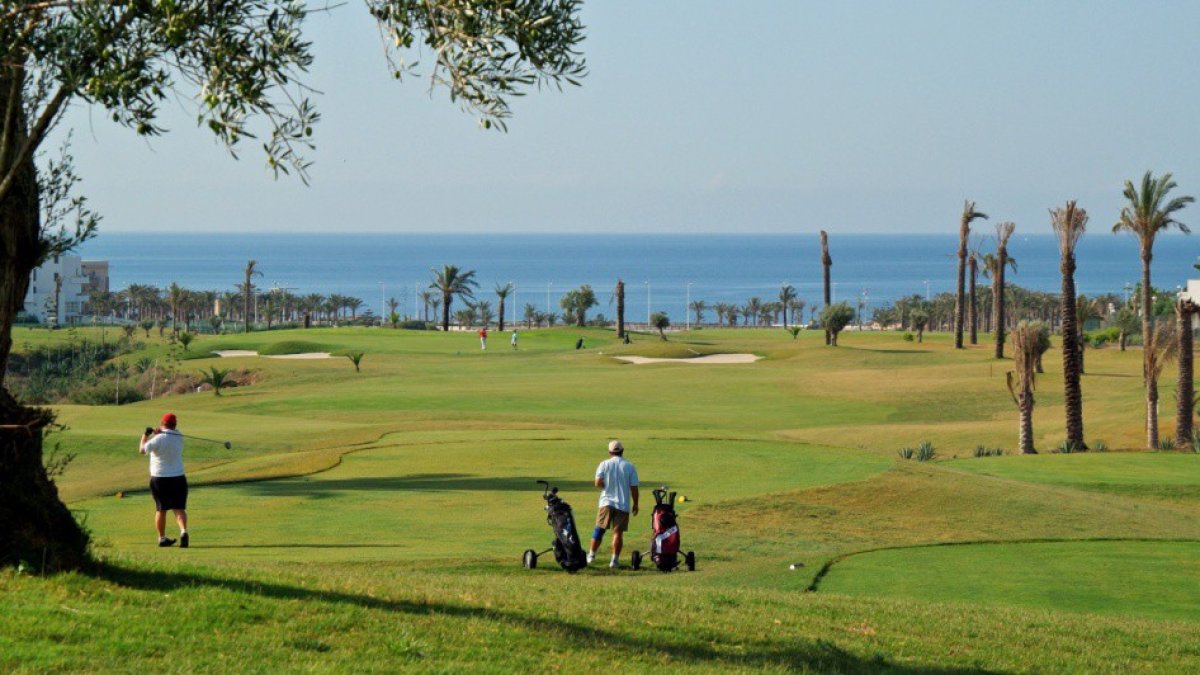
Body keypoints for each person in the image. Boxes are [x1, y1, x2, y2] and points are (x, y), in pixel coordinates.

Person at [139, 412, 189, 548]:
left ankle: (162, 538)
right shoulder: (179, 435)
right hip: (178, 477)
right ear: (175, 424)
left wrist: (145, 434)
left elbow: (142, 450)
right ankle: (183, 531)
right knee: (179, 509)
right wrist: (159, 432)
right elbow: (168, 433)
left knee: (161, 510)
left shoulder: (158, 439)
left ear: (162, 423)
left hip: (160, 478)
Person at [588, 439, 639, 568]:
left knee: (599, 529)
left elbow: (597, 483)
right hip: (622, 504)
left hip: (606, 502)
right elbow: (634, 488)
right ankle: (614, 560)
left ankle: (591, 555)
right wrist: (636, 504)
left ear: (610, 452)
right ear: (622, 451)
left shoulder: (604, 464)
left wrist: (606, 486)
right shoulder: (629, 466)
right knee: (617, 533)